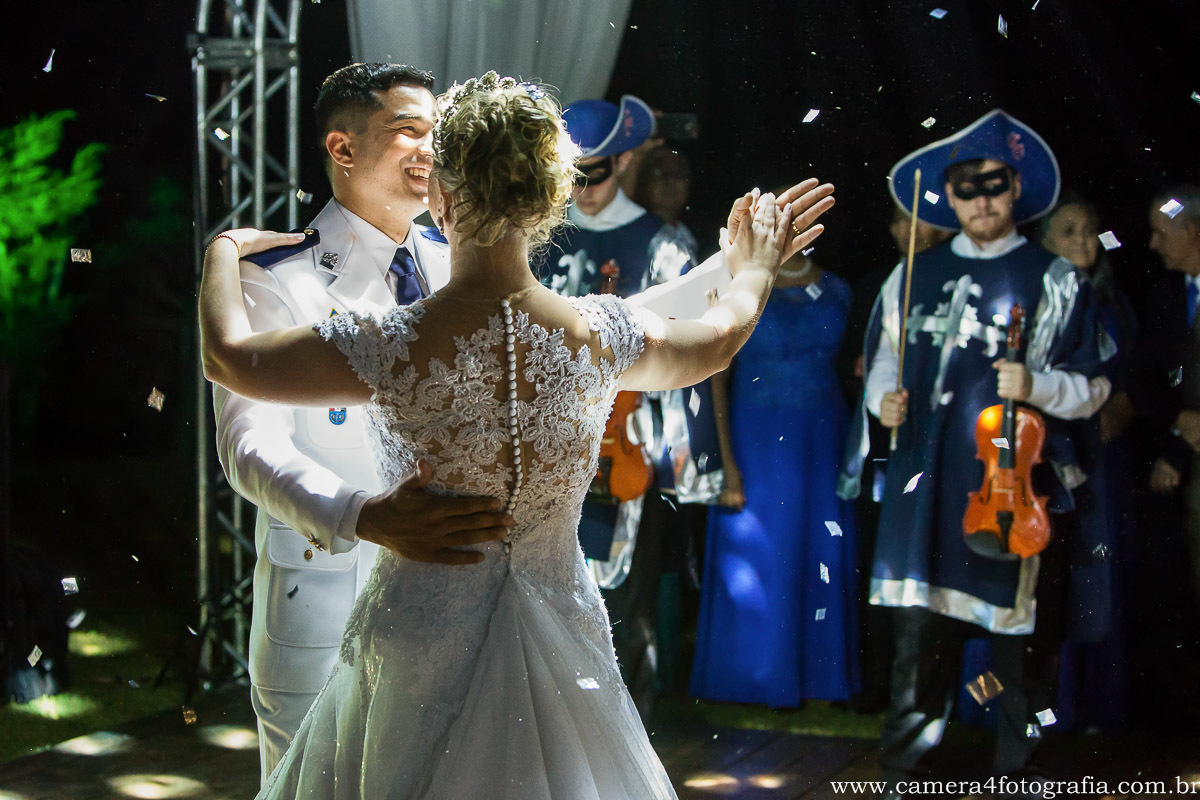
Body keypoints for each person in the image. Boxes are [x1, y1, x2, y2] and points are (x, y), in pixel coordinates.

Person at [199, 72, 836, 798]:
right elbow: (680, 335)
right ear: (549, 197)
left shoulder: (400, 332)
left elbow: (230, 358)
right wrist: (749, 271)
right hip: (394, 607)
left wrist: (221, 248)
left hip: (415, 630)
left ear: (445, 192)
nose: (424, 150)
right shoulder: (590, 332)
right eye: (409, 128)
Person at [210, 62, 511, 783]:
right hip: (327, 591)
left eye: (436, 132)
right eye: (407, 131)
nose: (430, 150)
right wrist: (361, 516)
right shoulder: (278, 275)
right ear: (342, 150)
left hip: (450, 595)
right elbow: (247, 442)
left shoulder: (462, 268)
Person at [847, 109, 1110, 791]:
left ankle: (1025, 776)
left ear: (1016, 187)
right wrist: (884, 401)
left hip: (1007, 486)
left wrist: (1040, 385)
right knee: (920, 636)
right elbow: (883, 360)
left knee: (1019, 646)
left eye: (994, 184)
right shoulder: (911, 272)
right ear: (948, 196)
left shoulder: (1054, 277)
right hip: (925, 484)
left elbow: (1096, 386)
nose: (982, 200)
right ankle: (910, 772)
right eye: (967, 188)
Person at [538, 94, 701, 718]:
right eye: (570, 173)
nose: (580, 189)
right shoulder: (541, 234)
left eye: (596, 172)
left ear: (626, 159)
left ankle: (629, 747)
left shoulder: (659, 244)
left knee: (626, 601)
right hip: (549, 439)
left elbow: (687, 346)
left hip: (627, 440)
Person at [690, 244, 861, 706]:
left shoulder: (838, 289)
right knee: (761, 552)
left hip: (822, 435)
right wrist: (726, 465)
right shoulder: (734, 285)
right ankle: (753, 678)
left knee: (818, 550)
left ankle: (820, 681)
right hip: (755, 437)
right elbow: (713, 379)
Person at [1036, 193, 1136, 732]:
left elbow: (1133, 373)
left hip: (1104, 458)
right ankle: (1048, 705)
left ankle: (1096, 705)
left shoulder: (1112, 304)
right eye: (1069, 231)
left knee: (1100, 572)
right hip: (1054, 455)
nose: (1083, 242)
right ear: (1046, 242)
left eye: (1090, 231)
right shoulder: (1038, 297)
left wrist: (1126, 402)